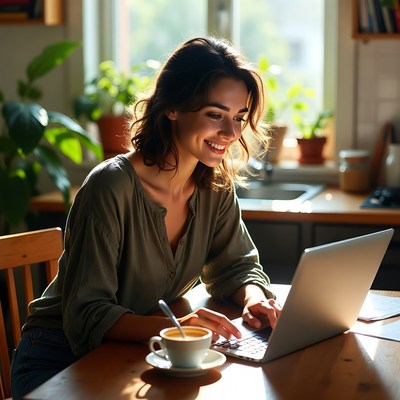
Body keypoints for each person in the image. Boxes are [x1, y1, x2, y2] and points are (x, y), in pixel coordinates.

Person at [10, 37, 281, 399]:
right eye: (215, 115)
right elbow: (88, 313)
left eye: (238, 118)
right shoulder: (111, 186)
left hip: (136, 353)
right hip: (58, 359)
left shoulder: (214, 186)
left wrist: (253, 299)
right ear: (172, 108)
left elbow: (235, 267)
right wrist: (175, 327)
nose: (231, 134)